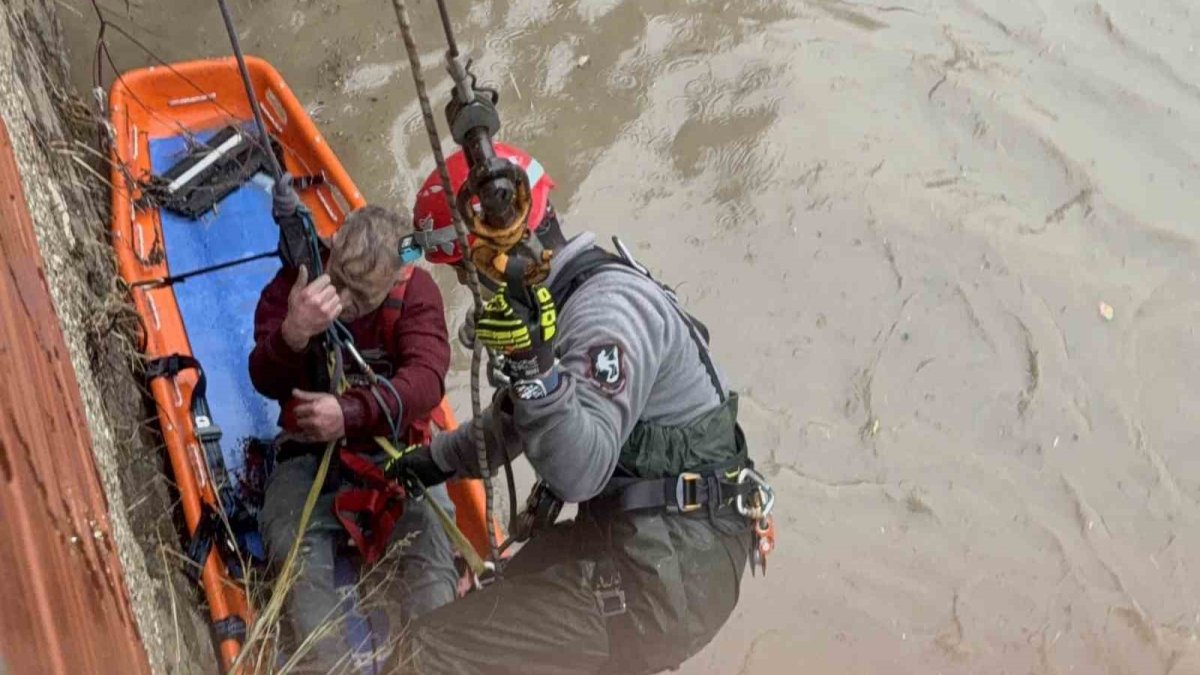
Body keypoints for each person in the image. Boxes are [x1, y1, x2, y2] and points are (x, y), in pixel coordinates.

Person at [386, 143, 769, 674]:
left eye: (462, 271)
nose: (465, 286)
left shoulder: (604, 313)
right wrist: (435, 461)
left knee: (429, 651)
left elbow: (579, 474)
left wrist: (531, 366)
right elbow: (518, 420)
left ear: (493, 255)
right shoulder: (564, 299)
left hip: (669, 579)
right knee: (496, 599)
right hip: (652, 541)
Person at [248, 204, 459, 671]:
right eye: (337, 277)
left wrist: (350, 412)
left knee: (432, 556)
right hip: (311, 460)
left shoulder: (416, 296)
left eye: (360, 295)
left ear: (397, 279)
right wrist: (294, 332)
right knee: (293, 549)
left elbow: (426, 381)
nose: (340, 299)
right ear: (333, 245)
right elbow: (263, 377)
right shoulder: (296, 285)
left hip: (395, 464)